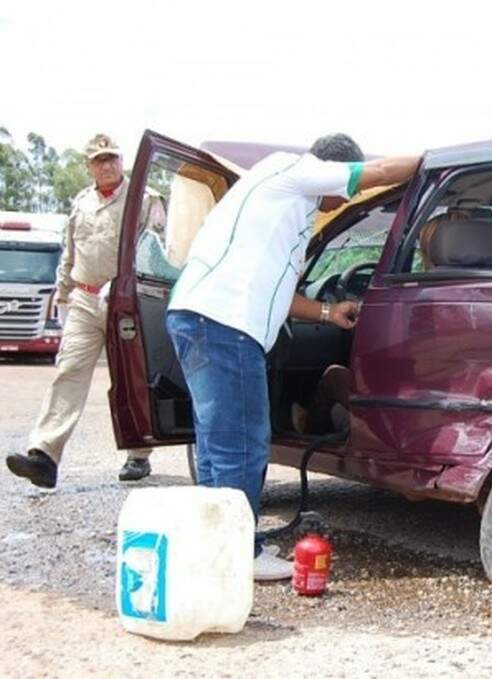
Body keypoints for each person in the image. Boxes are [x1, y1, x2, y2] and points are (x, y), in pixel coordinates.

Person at [164, 133, 419, 581]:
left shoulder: (282, 199)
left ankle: (212, 548)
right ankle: (239, 552)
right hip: (224, 324)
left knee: (215, 444)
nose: (344, 199)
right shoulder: (296, 171)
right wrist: (436, 161)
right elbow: (379, 173)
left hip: (198, 317)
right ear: (334, 174)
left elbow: (278, 294)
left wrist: (327, 312)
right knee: (241, 443)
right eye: (346, 189)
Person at [6, 134, 165, 489]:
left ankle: (139, 454)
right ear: (89, 166)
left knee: (130, 377)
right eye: (99, 160)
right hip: (84, 297)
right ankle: (44, 455)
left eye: (112, 158)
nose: (107, 165)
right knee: (68, 371)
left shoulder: (145, 197)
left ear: (121, 161)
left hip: (125, 300)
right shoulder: (82, 201)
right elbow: (71, 252)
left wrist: (134, 287)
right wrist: (62, 294)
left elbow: (155, 250)